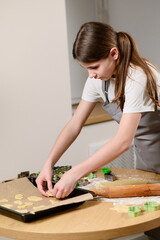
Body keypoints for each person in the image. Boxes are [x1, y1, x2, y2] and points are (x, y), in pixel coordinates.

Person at [36, 22, 160, 239]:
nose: (91, 75)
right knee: (152, 224)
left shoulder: (137, 76)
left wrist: (74, 174)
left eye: (94, 67)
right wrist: (48, 164)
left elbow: (123, 141)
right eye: (86, 69)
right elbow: (75, 125)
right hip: (147, 155)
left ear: (114, 54)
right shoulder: (97, 81)